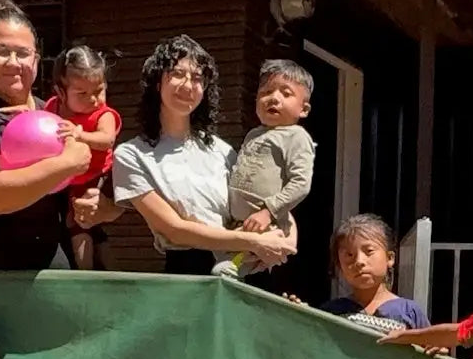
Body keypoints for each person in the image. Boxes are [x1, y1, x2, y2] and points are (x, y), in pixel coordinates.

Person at [0, 0, 95, 288]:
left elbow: (90, 171)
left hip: (58, 280)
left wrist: (98, 203)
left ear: (36, 60)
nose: (14, 62)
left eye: (23, 53)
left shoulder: (54, 113)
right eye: (1, 51)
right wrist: (68, 162)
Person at [112, 34, 294, 275]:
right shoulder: (131, 155)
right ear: (158, 82)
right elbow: (172, 229)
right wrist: (252, 242)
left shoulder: (223, 151)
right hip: (185, 271)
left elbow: (265, 200)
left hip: (236, 267)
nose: (188, 85)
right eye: (177, 73)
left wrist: (286, 240)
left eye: (198, 78)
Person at [214, 59, 316, 278]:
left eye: (285, 94)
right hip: (237, 223)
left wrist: (268, 211)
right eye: (266, 92)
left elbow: (301, 184)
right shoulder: (253, 134)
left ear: (304, 109)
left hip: (266, 223)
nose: (274, 98)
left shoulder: (296, 136)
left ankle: (238, 266)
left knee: (233, 265)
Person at [44, 44, 122, 271]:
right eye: (83, 94)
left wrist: (80, 134)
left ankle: (85, 273)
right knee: (75, 224)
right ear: (60, 91)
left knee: (79, 223)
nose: (94, 99)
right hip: (67, 176)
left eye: (99, 90)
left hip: (96, 174)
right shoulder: (53, 108)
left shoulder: (103, 114)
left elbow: (107, 139)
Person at [319, 214, 429, 334]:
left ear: (390, 258)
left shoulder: (409, 312)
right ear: (340, 266)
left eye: (369, 251)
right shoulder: (330, 313)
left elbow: (428, 347)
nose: (359, 261)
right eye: (349, 255)